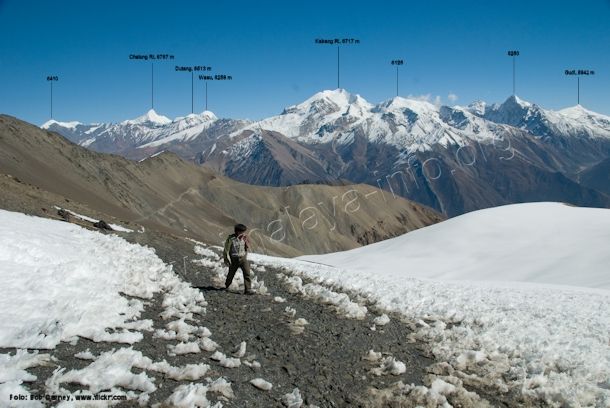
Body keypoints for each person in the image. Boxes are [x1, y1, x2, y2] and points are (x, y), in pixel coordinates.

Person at [223, 223, 253, 295]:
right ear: (237, 231)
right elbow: (226, 250)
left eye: (243, 232)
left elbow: (248, 246)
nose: (243, 233)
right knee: (231, 274)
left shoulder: (244, 238)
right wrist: (226, 259)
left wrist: (246, 241)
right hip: (234, 259)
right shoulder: (231, 239)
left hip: (243, 258)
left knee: (247, 273)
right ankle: (227, 286)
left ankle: (248, 290)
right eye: (241, 232)